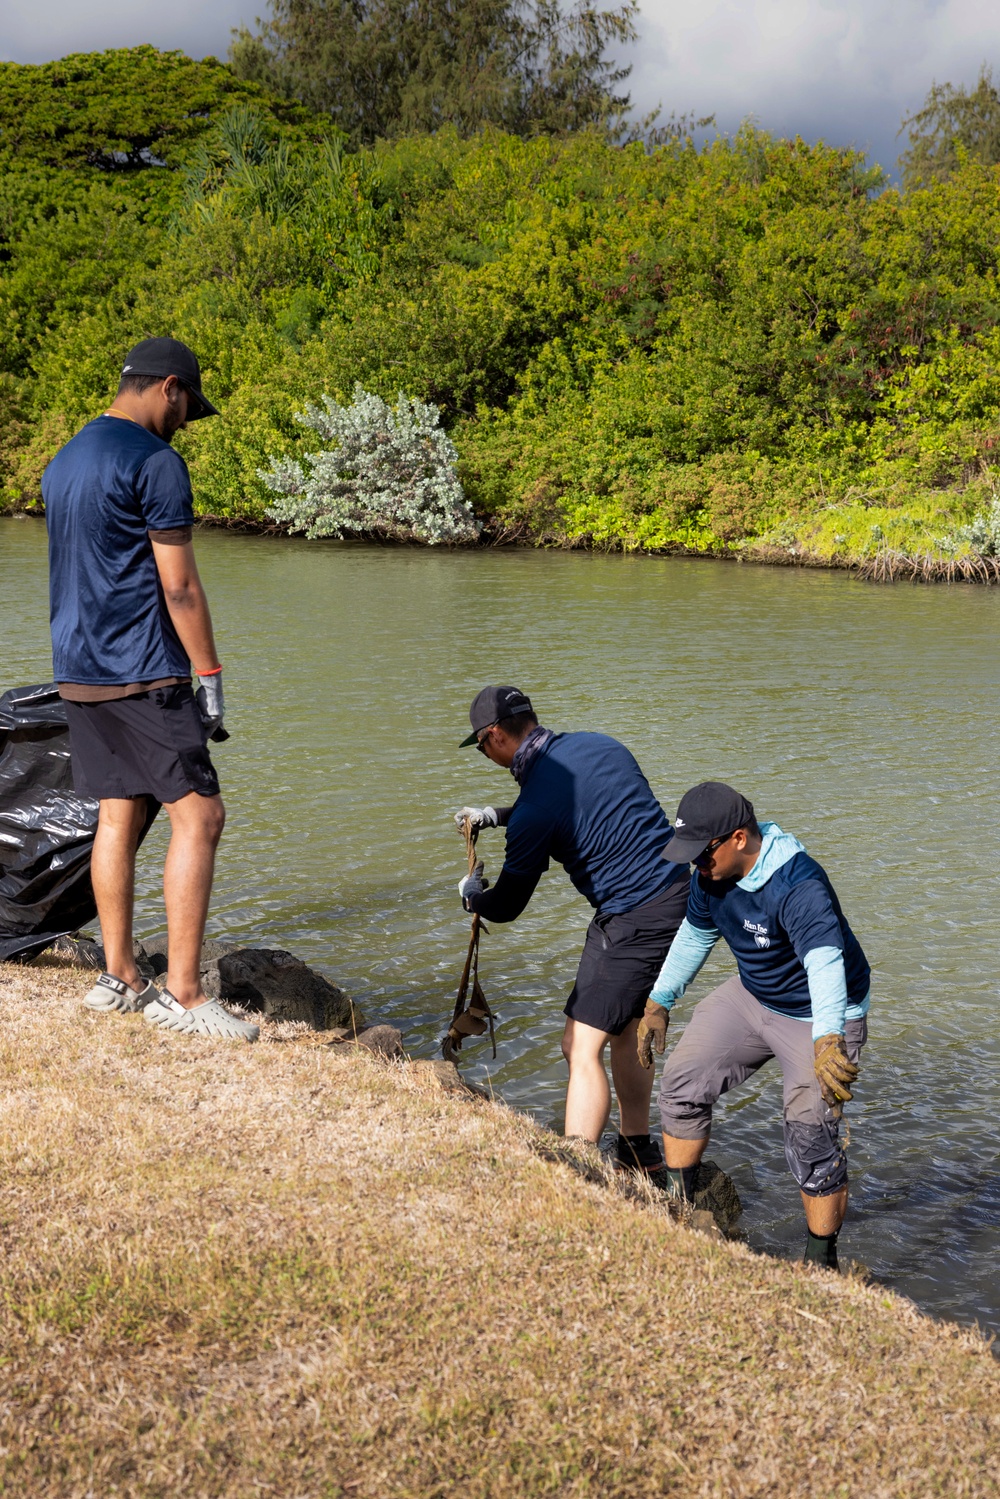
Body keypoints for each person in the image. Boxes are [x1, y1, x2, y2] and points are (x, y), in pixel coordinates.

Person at [43, 337, 259, 1042]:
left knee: (117, 814)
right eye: (188, 408)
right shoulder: (156, 462)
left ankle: (120, 978)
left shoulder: (64, 460)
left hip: (78, 670)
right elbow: (180, 584)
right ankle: (187, 995)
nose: (186, 422)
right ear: (169, 387)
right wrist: (212, 676)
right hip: (143, 670)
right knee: (202, 816)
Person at [453, 684, 689, 1174]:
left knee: (583, 1047)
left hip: (635, 916)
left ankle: (574, 1172)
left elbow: (509, 905)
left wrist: (471, 895)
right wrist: (496, 815)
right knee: (617, 1029)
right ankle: (636, 1151)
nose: (482, 754)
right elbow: (570, 805)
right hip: (670, 896)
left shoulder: (537, 810)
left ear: (495, 737)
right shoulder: (601, 745)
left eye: (479, 745)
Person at [641, 781, 869, 1269]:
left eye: (701, 855)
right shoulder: (710, 875)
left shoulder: (797, 883)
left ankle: (820, 1263)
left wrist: (829, 1038)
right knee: (682, 1080)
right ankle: (679, 1208)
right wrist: (659, 1001)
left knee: (810, 1130)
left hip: (821, 1014)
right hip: (752, 996)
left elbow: (826, 962)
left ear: (738, 839)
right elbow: (694, 935)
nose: (696, 866)